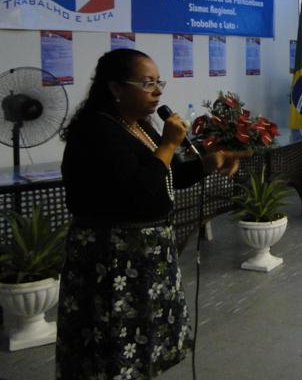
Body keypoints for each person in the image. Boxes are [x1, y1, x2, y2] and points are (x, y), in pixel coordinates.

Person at [56, 49, 243, 379]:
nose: (157, 91)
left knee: (143, 342)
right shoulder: (96, 131)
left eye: (159, 82)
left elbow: (170, 176)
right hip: (112, 259)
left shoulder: (140, 126)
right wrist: (168, 145)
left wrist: (210, 162)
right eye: (147, 83)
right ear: (116, 88)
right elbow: (139, 190)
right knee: (113, 345)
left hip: (148, 254)